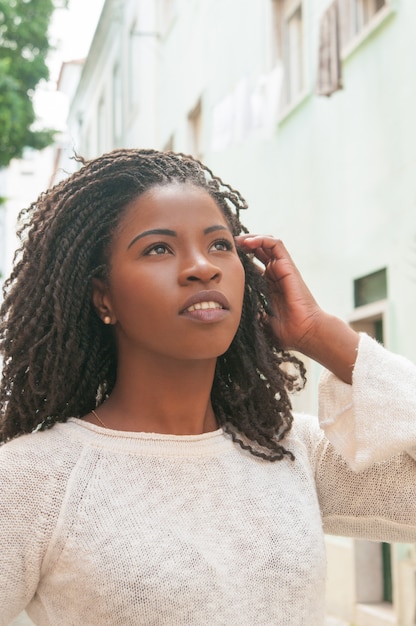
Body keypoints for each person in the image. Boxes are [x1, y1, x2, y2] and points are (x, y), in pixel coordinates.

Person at [0, 148, 415, 626]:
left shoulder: (287, 450)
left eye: (220, 245)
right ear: (102, 296)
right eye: (158, 248)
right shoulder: (36, 480)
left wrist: (323, 336)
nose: (202, 267)